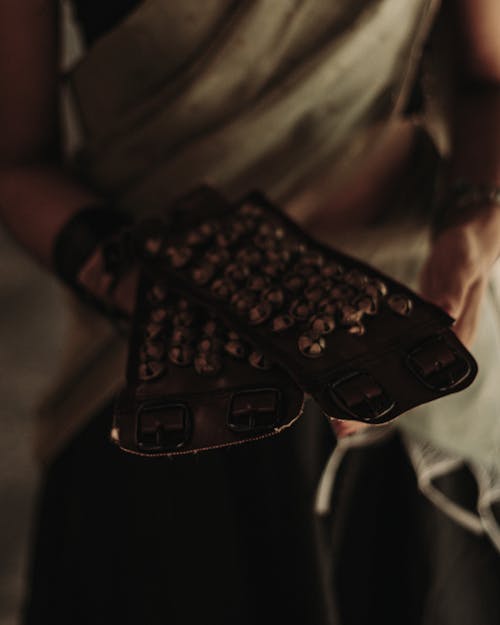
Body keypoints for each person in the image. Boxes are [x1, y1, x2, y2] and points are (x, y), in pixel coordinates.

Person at [0, 1, 499, 623]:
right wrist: (158, 292)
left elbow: (488, 77)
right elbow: (19, 165)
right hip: (167, 361)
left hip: (407, 331)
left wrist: (478, 213)